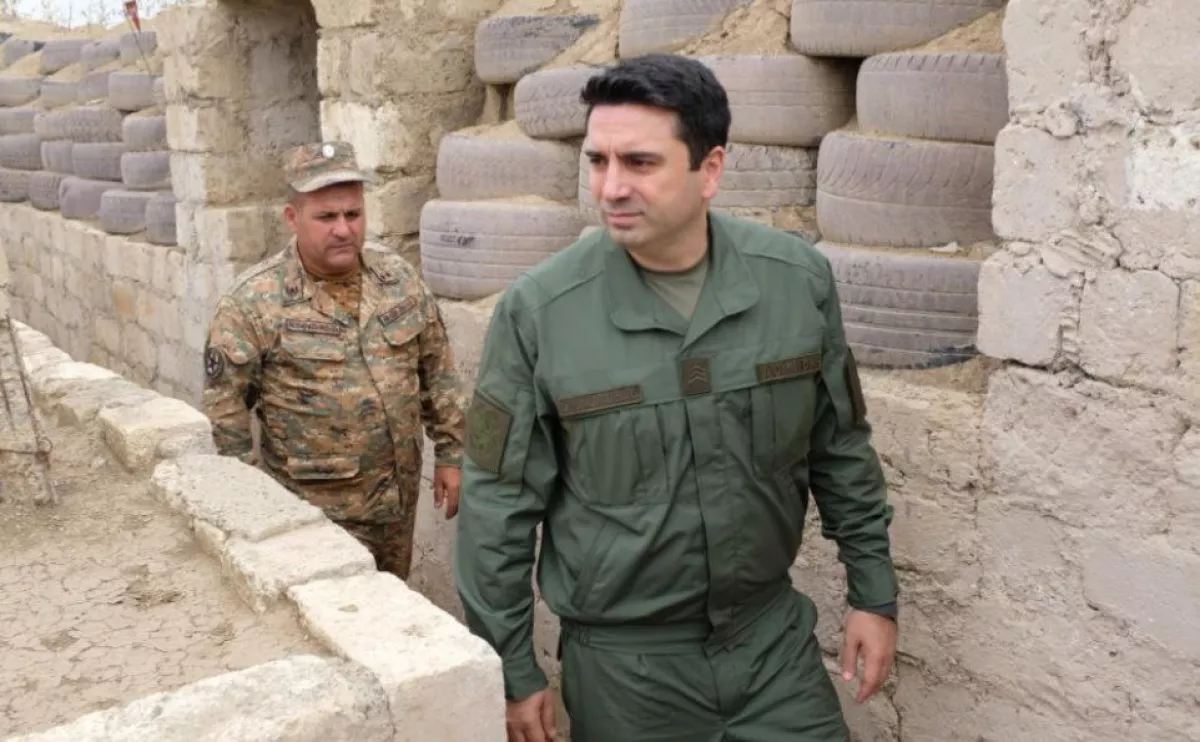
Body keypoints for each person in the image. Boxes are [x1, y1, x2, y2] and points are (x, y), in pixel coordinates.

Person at [454, 54, 900, 742]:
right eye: (598, 161)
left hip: (771, 647)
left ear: (710, 169)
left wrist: (873, 593)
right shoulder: (540, 312)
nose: (611, 188)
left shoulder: (795, 282)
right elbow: (496, 507)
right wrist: (513, 669)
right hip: (627, 673)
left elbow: (840, 449)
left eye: (639, 162)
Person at [203, 140, 466, 580]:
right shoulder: (252, 303)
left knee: (391, 601)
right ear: (292, 218)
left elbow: (437, 369)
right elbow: (226, 419)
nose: (344, 229)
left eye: (353, 214)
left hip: (397, 506)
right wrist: (255, 515)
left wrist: (451, 453)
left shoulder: (397, 279)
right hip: (313, 519)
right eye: (326, 217)